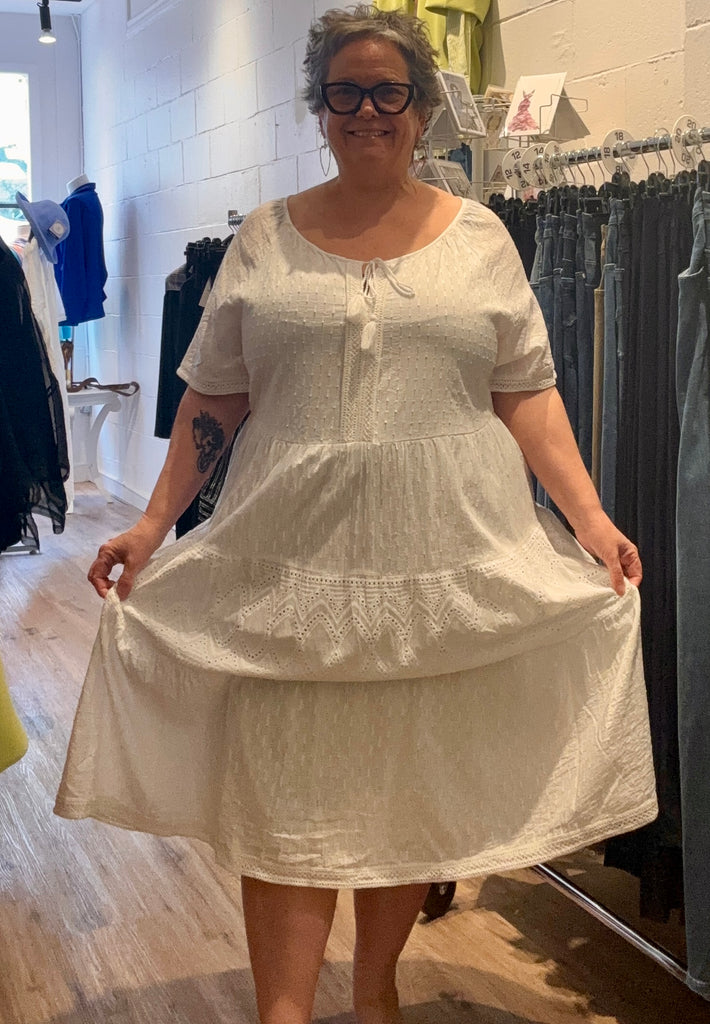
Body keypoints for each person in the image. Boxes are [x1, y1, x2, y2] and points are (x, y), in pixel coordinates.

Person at [55, 7, 658, 1023]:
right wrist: (152, 524)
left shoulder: (482, 238)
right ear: (319, 106)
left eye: (388, 92)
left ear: (420, 109)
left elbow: (526, 392)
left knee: (404, 789)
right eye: (345, 92)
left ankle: (375, 993)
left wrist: (588, 518)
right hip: (288, 560)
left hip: (446, 555)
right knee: (283, 793)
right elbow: (213, 398)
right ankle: (284, 1011)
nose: (367, 110)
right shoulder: (263, 238)